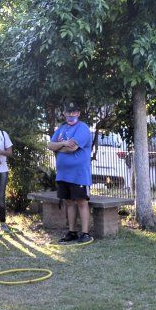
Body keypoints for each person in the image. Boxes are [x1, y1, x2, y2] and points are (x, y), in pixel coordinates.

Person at [47, 103, 93, 244]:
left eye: (73, 112)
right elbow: (49, 145)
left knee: (81, 202)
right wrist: (65, 143)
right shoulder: (62, 128)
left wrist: (59, 145)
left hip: (79, 174)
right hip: (63, 174)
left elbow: (72, 149)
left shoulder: (82, 128)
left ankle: (85, 233)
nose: (70, 115)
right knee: (69, 202)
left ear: (78, 113)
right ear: (64, 113)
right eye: (68, 112)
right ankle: (72, 232)